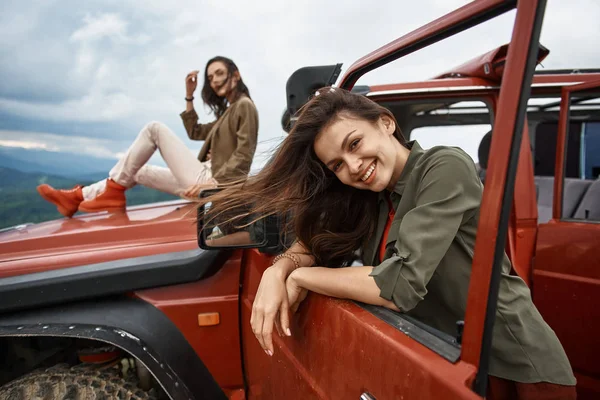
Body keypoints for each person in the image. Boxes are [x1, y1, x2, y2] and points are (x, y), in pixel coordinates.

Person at [201, 87, 576, 399]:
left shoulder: (443, 167)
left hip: (521, 365)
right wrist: (278, 268)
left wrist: (301, 278)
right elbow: (312, 242)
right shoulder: (371, 198)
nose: (352, 165)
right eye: (336, 165)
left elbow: (399, 285)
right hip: (455, 363)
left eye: (355, 142)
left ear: (386, 122)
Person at [37, 56, 258, 217]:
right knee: (138, 171)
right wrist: (189, 96)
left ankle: (110, 193)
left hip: (211, 182)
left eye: (219, 73)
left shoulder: (245, 106)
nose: (214, 80)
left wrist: (214, 183)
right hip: (202, 182)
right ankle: (76, 198)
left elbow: (244, 154)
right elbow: (195, 132)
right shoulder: (228, 112)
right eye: (210, 77)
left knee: (154, 129)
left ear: (235, 75)